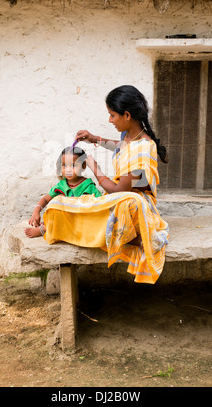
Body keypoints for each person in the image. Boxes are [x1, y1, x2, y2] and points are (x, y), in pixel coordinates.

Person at [42, 85, 169, 284]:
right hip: (120, 198)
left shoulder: (143, 148)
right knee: (64, 206)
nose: (110, 120)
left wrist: (95, 168)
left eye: (112, 115)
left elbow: (120, 190)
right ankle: (123, 234)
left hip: (134, 205)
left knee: (80, 209)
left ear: (126, 115)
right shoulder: (130, 136)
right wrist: (95, 139)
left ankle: (136, 236)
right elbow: (122, 147)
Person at [25, 146, 102, 238]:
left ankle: (45, 229)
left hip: (79, 221)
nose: (68, 169)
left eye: (73, 165)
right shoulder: (62, 185)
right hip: (62, 220)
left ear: (83, 166)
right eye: (64, 165)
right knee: (58, 199)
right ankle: (50, 224)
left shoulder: (88, 186)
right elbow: (46, 199)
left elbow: (100, 203)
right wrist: (36, 212)